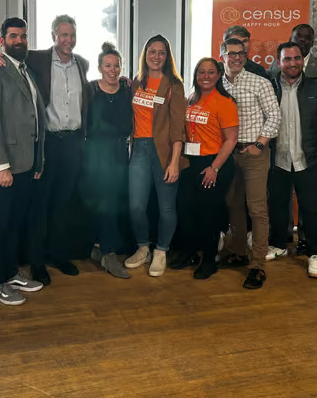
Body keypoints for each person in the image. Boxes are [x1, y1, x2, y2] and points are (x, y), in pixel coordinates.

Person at [0, 14, 90, 285]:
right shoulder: (36, 59)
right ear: (54, 36)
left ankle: (58, 254)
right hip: (46, 145)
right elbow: (9, 55)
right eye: (63, 35)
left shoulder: (83, 64)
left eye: (72, 35)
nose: (68, 40)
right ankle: (37, 263)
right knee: (40, 206)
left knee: (63, 204)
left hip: (73, 144)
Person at [0, 17, 46, 306]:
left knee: (13, 224)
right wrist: (1, 166)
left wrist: (38, 161)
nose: (20, 41)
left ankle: (9, 272)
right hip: (0, 168)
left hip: (25, 164)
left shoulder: (24, 69)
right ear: (2, 40)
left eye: (24, 36)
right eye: (14, 36)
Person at [267, 42, 317, 279]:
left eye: (296, 58)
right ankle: (278, 245)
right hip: (276, 160)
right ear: (279, 63)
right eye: (287, 59)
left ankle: (315, 255)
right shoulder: (269, 88)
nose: (292, 63)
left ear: (303, 60)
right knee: (277, 207)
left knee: (311, 211)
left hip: (308, 161)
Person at [219, 37, 280, 290]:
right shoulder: (217, 84)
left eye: (241, 54)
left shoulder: (260, 82)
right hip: (227, 154)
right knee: (233, 204)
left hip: (253, 153)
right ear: (222, 55)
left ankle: (257, 266)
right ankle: (238, 253)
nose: (236, 58)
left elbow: (275, 115)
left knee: (256, 209)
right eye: (231, 53)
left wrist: (259, 144)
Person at [124, 34, 188, 277]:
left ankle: (161, 250)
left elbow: (177, 128)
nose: (157, 57)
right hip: (139, 149)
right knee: (136, 206)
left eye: (162, 52)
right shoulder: (136, 83)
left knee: (166, 207)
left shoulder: (174, 85)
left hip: (165, 151)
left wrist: (174, 162)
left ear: (167, 56)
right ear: (145, 54)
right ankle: (143, 248)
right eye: (152, 51)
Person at [173, 58, 238, 280]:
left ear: (219, 75)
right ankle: (189, 253)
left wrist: (214, 168)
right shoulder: (191, 98)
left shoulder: (225, 102)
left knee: (208, 214)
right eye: (201, 72)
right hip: (192, 162)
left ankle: (209, 261)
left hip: (214, 162)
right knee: (187, 210)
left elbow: (230, 140)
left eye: (211, 72)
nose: (206, 76)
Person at [83, 42, 133, 279]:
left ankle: (99, 246)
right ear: (100, 67)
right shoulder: (90, 90)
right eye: (108, 65)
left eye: (116, 65)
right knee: (106, 203)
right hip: (96, 155)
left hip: (120, 154)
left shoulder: (127, 91)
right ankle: (109, 254)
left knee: (114, 203)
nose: (112, 70)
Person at [268, 23, 317, 102]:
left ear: (312, 43)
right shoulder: (277, 64)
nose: (302, 40)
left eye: (307, 37)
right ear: (290, 39)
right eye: (298, 36)